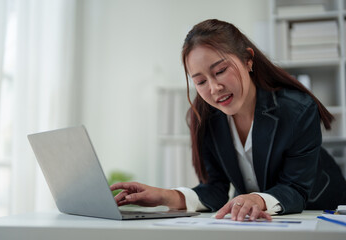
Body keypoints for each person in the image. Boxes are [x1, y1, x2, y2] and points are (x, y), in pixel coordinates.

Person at [110, 19, 346, 221]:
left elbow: (295, 189)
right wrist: (165, 196)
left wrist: (256, 199)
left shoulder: (297, 109)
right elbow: (216, 189)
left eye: (220, 70)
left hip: (322, 212)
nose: (214, 88)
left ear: (248, 60)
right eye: (200, 81)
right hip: (260, 221)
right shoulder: (204, 118)